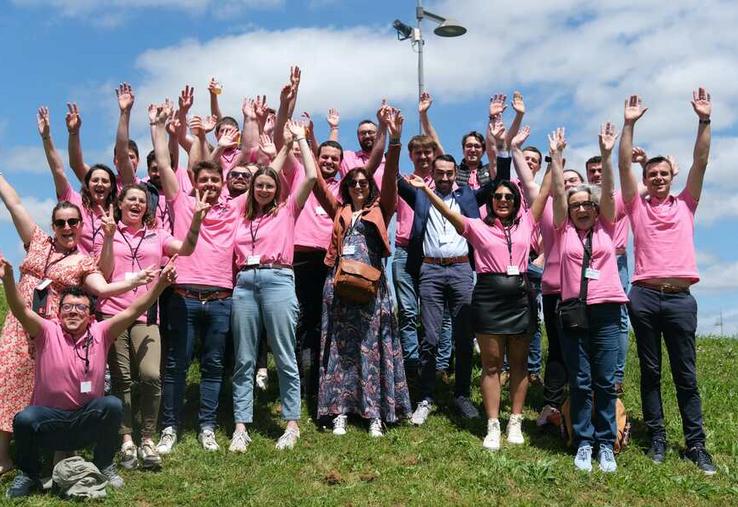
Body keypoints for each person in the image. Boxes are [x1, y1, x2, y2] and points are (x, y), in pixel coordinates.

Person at [0, 172, 154, 477]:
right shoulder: (36, 242)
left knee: (56, 388)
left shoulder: (84, 261)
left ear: (81, 226)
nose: (67, 227)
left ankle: (61, 453)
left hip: (55, 334)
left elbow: (104, 289)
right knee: (8, 384)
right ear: (52, 225)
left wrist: (133, 280)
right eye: (61, 223)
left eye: (73, 222)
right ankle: (5, 456)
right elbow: (13, 202)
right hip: (20, 325)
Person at [2, 256, 177, 498]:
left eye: (81, 307)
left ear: (90, 315)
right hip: (50, 423)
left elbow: (135, 309)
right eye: (67, 307)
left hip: (86, 422)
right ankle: (28, 474)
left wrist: (160, 285)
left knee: (112, 405)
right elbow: (20, 309)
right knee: (24, 418)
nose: (73, 311)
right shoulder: (45, 331)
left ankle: (104, 463)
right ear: (59, 312)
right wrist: (8, 280)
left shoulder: (102, 332)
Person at [409, 149, 544, 450]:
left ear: (516, 201)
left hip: (520, 298)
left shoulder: (527, 224)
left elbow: (544, 193)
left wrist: (556, 160)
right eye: (498, 197)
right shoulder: (477, 226)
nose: (504, 200)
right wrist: (427, 191)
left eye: (509, 197)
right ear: (491, 203)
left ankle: (516, 421)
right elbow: (448, 212)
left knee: (519, 363)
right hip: (487, 296)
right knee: (491, 363)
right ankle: (493, 424)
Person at [618, 91, 716, 474]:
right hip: (643, 296)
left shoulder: (686, 203)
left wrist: (704, 121)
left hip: (680, 300)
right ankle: (657, 437)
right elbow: (623, 163)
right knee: (651, 370)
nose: (658, 178)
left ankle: (695, 444)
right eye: (651, 175)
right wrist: (628, 124)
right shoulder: (636, 205)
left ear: (671, 176)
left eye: (663, 174)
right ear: (644, 180)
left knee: (686, 374)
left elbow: (702, 161)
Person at [151, 102, 246, 454]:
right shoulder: (180, 201)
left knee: (214, 364)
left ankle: (207, 426)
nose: (209, 183)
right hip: (184, 296)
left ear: (223, 183)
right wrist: (159, 126)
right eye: (203, 178)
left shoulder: (234, 206)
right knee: (175, 364)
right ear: (193, 179)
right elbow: (163, 161)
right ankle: (170, 427)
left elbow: (273, 174)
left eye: (214, 179)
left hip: (222, 298)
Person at [96, 183, 209, 469]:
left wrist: (196, 221)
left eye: (142, 201)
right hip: (112, 314)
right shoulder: (107, 232)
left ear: (147, 207)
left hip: (147, 315)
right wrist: (109, 238)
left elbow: (186, 248)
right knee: (120, 379)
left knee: (150, 376)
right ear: (119, 203)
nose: (136, 204)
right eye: (131, 199)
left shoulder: (157, 234)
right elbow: (105, 272)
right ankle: (126, 441)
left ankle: (147, 437)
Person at [315, 107, 410, 437]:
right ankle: (340, 410)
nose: (358, 184)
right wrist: (304, 141)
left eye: (363, 181)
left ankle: (375, 414)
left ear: (370, 186)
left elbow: (390, 172)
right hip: (339, 285)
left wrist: (394, 138)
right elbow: (315, 181)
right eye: (352, 181)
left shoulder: (381, 209)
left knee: (372, 346)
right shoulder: (338, 210)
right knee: (341, 348)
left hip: (372, 288)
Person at [399, 144, 510, 425]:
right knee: (431, 339)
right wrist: (393, 138)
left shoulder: (469, 197)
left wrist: (504, 147)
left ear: (456, 175)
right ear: (432, 174)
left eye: (450, 173)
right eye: (440, 173)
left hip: (461, 270)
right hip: (431, 272)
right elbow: (392, 180)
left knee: (462, 337)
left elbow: (500, 183)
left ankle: (461, 395)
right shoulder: (421, 196)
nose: (446, 178)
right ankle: (425, 397)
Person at [229, 119, 317, 451]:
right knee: (244, 357)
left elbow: (309, 176)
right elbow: (264, 172)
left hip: (279, 279)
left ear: (277, 189)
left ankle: (292, 423)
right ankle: (241, 426)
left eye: (270, 186)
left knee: (283, 353)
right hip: (245, 284)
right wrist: (274, 155)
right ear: (252, 189)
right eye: (259, 186)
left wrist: (300, 141)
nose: (264, 189)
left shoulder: (287, 211)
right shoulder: (241, 214)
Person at [551, 124, 627, 473]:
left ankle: (604, 442)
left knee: (605, 380)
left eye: (587, 204)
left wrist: (607, 155)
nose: (581, 209)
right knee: (580, 379)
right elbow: (555, 195)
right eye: (576, 204)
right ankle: (583, 441)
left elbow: (610, 192)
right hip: (572, 312)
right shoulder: (563, 229)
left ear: (597, 209)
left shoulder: (608, 226)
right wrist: (556, 159)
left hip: (608, 311)